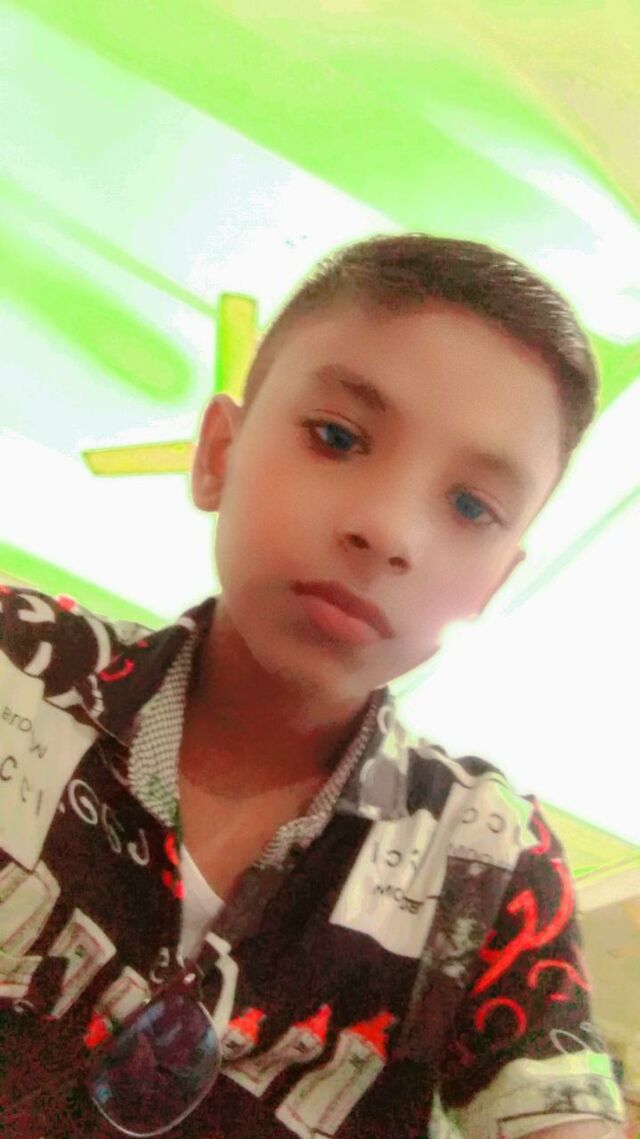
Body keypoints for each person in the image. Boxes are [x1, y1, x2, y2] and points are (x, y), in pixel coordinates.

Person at [0, 234, 628, 1139]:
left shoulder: (486, 865)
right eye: (338, 437)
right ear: (218, 454)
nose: (389, 529)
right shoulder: (19, 666)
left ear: (492, 584)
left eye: (470, 506)